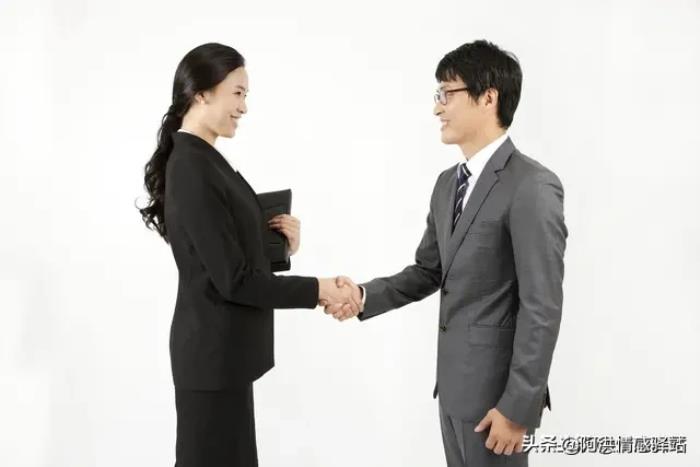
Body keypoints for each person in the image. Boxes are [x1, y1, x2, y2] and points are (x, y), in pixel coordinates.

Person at [326, 40, 568, 467]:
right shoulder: (446, 184)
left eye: (447, 93)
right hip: (453, 391)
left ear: (488, 97)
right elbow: (428, 271)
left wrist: (518, 408)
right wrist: (362, 295)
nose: (437, 107)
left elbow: (542, 306)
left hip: (499, 404)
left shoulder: (532, 185)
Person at [138, 42, 361, 467]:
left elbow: (221, 255)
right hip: (211, 359)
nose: (244, 107)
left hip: (222, 359)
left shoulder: (205, 160)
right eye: (237, 93)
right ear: (202, 93)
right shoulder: (192, 166)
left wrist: (278, 246)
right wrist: (319, 289)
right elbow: (233, 279)